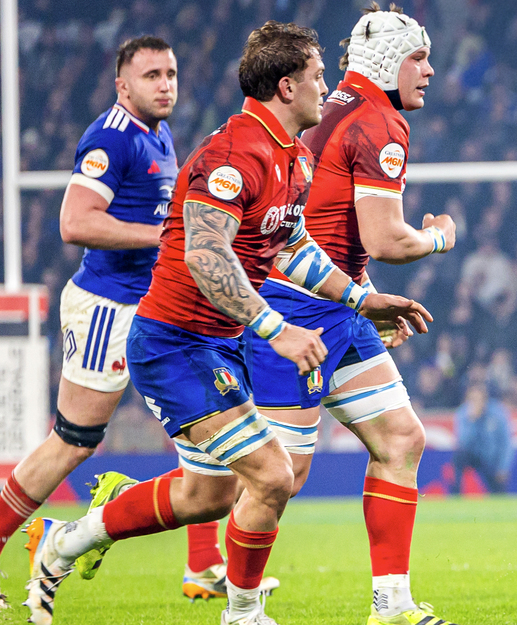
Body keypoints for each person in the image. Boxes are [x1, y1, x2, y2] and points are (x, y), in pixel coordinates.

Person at [23, 22, 431, 625]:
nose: (329, 85)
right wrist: (277, 330)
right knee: (273, 474)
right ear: (288, 86)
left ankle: (65, 542)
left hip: (222, 343)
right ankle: (242, 614)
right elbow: (205, 255)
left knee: (206, 496)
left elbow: (292, 248)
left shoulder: (292, 155)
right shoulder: (232, 154)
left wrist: (359, 297)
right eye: (320, 76)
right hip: (175, 346)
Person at [0, 34, 266, 602]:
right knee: (72, 441)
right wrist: (169, 237)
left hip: (153, 308)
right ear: (123, 85)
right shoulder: (112, 137)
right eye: (151, 76)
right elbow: (75, 222)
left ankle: (201, 566)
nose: (166, 84)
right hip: (108, 307)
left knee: (206, 431)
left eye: (170, 73)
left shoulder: (160, 134)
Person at [451, 373, 512, 494]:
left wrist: (503, 468)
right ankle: (456, 493)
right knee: (458, 457)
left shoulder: (497, 413)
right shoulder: (463, 414)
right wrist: (472, 421)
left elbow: (506, 443)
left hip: (491, 459)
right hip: (472, 455)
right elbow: (462, 443)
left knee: (498, 491)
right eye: (473, 399)